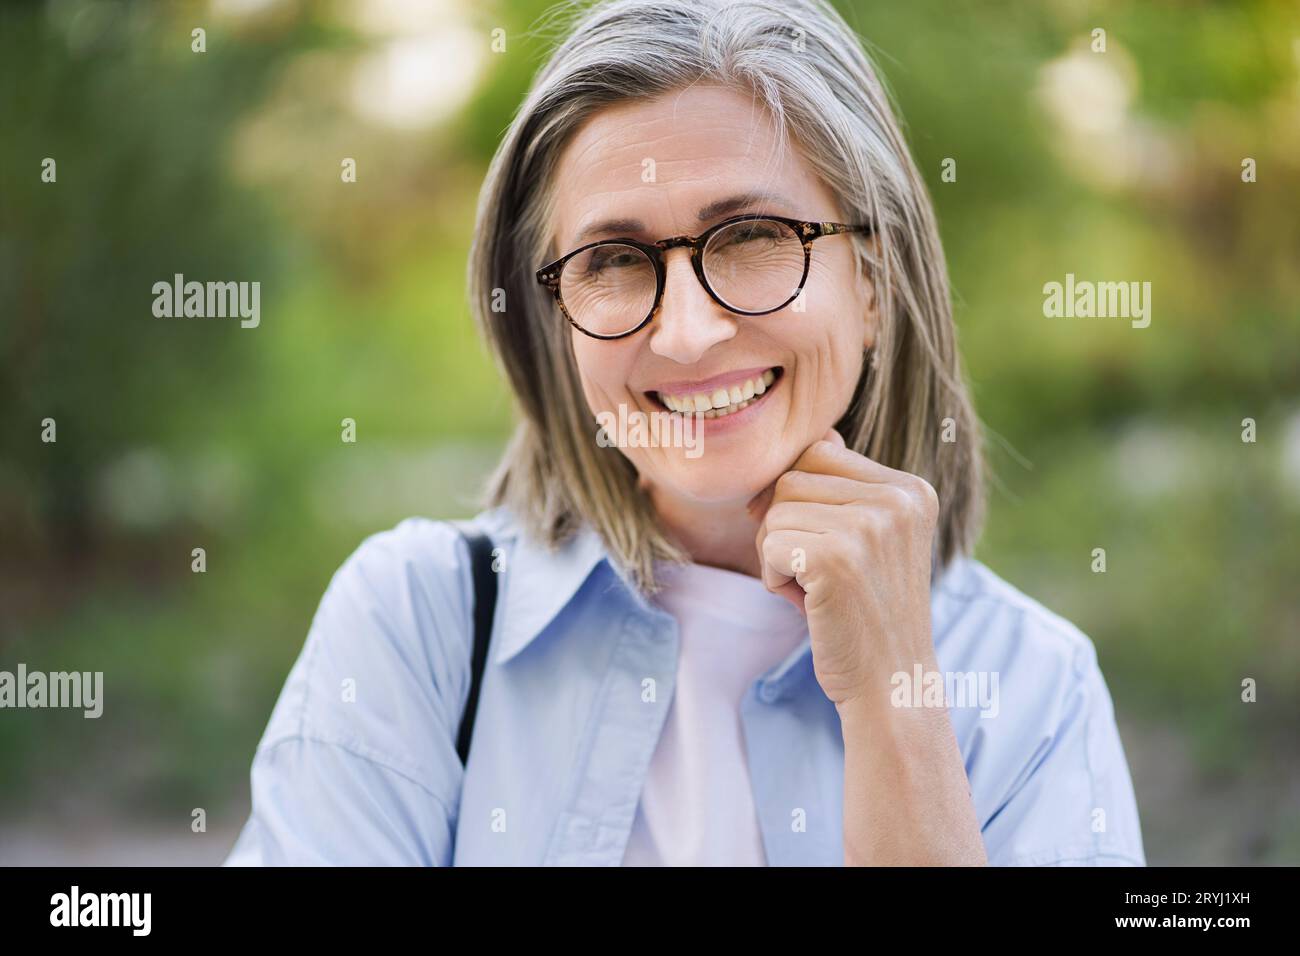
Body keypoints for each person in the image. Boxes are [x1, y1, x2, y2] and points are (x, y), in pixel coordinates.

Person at [224, 0, 1145, 866]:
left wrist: (895, 699)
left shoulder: (1032, 686)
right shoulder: (415, 624)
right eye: (613, 260)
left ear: (871, 283)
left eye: (750, 236)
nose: (688, 333)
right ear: (557, 319)